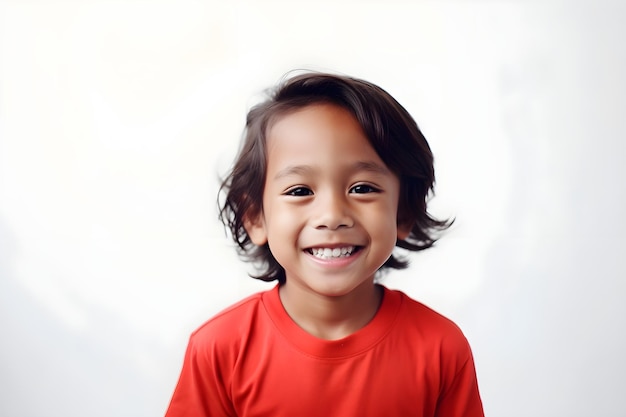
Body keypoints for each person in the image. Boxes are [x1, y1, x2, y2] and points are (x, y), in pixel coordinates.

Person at [164, 72, 484, 417]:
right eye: (300, 191)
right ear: (256, 216)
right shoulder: (219, 349)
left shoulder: (440, 348)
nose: (332, 216)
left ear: (403, 212)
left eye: (362, 188)